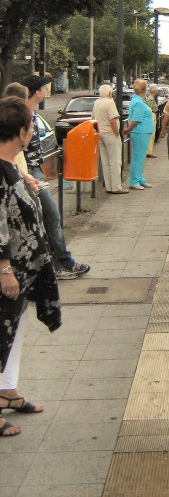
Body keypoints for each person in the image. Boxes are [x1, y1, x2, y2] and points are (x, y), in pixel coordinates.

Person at [0, 96, 62, 437]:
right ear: (23, 132)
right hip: (9, 271)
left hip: (23, 271)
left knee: (13, 329)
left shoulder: (10, 167)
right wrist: (5, 268)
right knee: (0, 330)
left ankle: (8, 391)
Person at [20, 75, 90, 280]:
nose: (46, 91)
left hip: (33, 171)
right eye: (44, 88)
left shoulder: (31, 113)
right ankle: (63, 263)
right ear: (37, 92)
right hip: (29, 173)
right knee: (51, 216)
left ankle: (54, 264)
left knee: (43, 219)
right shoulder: (23, 115)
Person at [91, 84, 128, 194]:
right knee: (115, 161)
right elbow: (113, 119)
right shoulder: (110, 102)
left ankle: (108, 186)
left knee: (105, 161)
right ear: (109, 93)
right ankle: (116, 187)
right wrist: (117, 133)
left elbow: (93, 118)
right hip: (110, 134)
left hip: (100, 134)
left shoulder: (97, 102)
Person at [122, 79, 154, 190]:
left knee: (140, 157)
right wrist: (128, 129)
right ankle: (134, 180)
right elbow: (136, 120)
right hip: (141, 132)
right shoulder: (139, 103)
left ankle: (140, 178)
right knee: (138, 157)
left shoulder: (137, 100)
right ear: (145, 89)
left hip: (142, 131)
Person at [145, 84, 159, 158]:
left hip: (152, 116)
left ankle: (149, 151)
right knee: (151, 134)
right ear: (154, 91)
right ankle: (149, 152)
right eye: (157, 90)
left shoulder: (150, 98)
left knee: (152, 134)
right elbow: (149, 109)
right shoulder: (151, 99)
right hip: (151, 116)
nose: (157, 92)